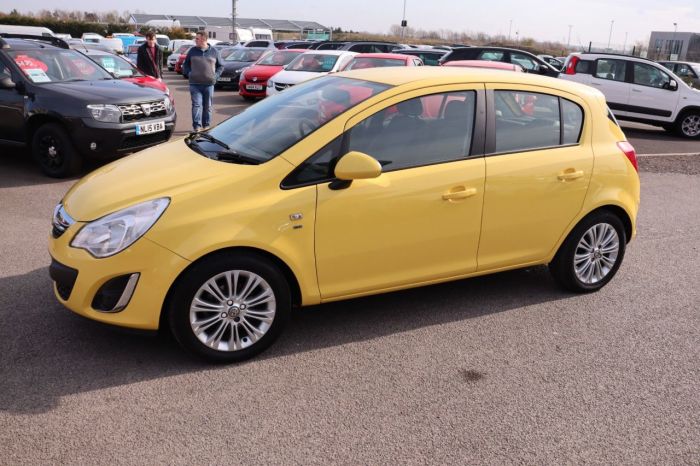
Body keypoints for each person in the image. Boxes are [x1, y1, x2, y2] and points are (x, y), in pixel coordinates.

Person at [182, 32, 224, 132]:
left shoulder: (214, 51)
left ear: (204, 39)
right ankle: (197, 127)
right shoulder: (192, 51)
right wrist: (189, 74)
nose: (195, 40)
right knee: (196, 105)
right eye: (195, 38)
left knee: (207, 107)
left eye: (197, 39)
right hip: (195, 84)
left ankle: (206, 126)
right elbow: (185, 65)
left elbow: (221, 66)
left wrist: (216, 76)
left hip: (209, 84)